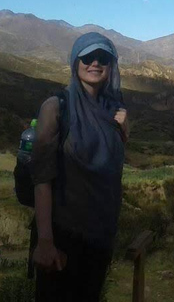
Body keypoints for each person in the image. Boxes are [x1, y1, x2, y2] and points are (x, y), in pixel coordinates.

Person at [29, 32, 129, 302]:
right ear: (75, 62)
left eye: (103, 58)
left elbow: (112, 169)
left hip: (99, 237)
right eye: (88, 57)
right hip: (63, 236)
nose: (95, 63)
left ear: (111, 65)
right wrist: (46, 241)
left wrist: (122, 131)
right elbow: (42, 177)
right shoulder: (56, 107)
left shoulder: (113, 111)